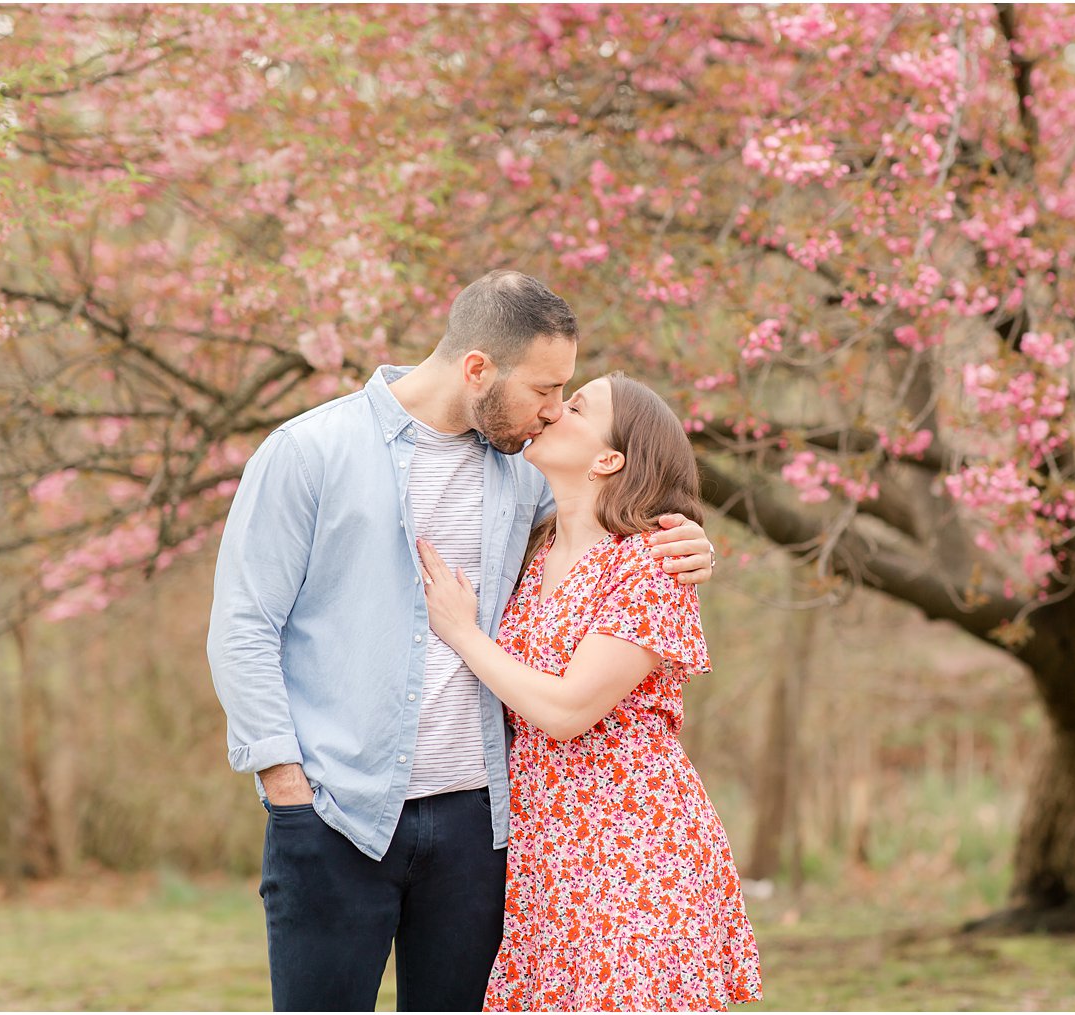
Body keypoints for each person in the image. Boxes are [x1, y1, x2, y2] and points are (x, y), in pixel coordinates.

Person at [207, 270, 716, 1012]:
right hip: (334, 811)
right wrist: (287, 786)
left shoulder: (523, 472)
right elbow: (244, 625)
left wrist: (693, 540)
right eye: (544, 390)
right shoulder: (309, 453)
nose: (550, 412)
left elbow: (618, 506)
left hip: (480, 830)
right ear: (478, 369)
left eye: (563, 395)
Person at [417, 371, 763, 1012]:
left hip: (632, 845)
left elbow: (567, 709)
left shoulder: (647, 564)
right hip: (547, 850)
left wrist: (462, 634)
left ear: (609, 459)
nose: (552, 410)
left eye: (575, 406)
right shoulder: (535, 548)